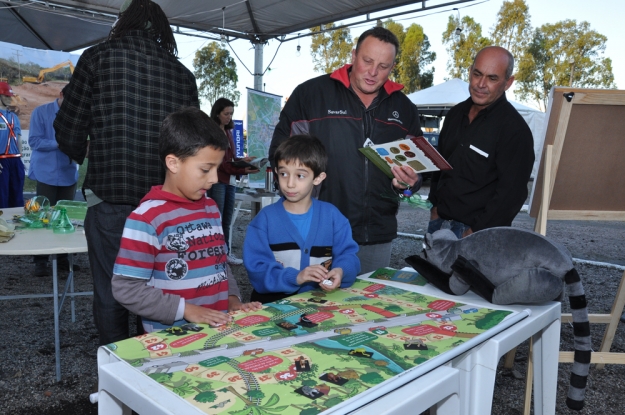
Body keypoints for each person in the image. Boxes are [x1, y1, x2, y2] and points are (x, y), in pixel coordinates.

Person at [54, 0, 200, 345]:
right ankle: (155, 369)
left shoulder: (96, 58)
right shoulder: (182, 75)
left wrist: (87, 150)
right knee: (162, 287)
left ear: (124, 23)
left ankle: (117, 377)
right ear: (162, 30)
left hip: (111, 197)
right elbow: (195, 148)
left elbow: (68, 131)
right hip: (167, 206)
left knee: (111, 289)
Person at [269, 27, 423, 274]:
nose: (373, 72)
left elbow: (417, 169)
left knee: (366, 309)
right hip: (316, 231)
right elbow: (280, 153)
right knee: (311, 307)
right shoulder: (311, 94)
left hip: (375, 235)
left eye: (383, 66)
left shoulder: (404, 108)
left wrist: (410, 183)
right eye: (367, 61)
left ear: (393, 67)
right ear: (353, 56)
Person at [112, 107, 261, 332]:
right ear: (173, 163)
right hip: (170, 340)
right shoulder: (146, 219)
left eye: (217, 169)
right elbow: (127, 289)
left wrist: (232, 300)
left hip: (217, 331)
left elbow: (220, 264)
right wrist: (186, 310)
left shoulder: (211, 207)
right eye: (205, 169)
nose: (213, 179)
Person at [427, 46, 534, 239]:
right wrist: (434, 207)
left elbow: (511, 195)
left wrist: (474, 232)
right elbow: (439, 166)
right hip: (439, 223)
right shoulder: (454, 115)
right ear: (470, 72)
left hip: (477, 233)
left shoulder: (514, 130)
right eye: (477, 74)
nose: (481, 84)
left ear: (508, 82)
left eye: (492, 78)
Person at [244, 135, 360, 304]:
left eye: (300, 176)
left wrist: (341, 271)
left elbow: (349, 255)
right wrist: (296, 277)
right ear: (276, 172)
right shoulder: (264, 221)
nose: (290, 183)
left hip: (319, 304)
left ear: (318, 178)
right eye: (284, 173)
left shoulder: (333, 217)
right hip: (273, 306)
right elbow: (257, 270)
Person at [28, 84, 80, 277]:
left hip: (68, 174)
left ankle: (63, 259)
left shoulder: (76, 116)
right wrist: (59, 143)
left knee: (64, 217)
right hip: (46, 173)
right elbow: (34, 141)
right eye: (70, 100)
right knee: (42, 217)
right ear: (60, 94)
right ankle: (40, 261)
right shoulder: (41, 112)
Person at [207, 98, 259, 266]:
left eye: (231, 114)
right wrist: (243, 169)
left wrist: (244, 160)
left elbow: (230, 159)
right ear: (217, 114)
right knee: (217, 218)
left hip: (229, 180)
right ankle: (215, 254)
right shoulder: (213, 133)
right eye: (226, 114)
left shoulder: (228, 132)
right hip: (218, 180)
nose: (229, 117)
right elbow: (220, 162)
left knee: (227, 219)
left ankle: (226, 252)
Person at [0, 81, 23, 209]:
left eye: (10, 96)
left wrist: (19, 159)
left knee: (17, 197)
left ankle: (17, 227)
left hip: (15, 160)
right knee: (2, 198)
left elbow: (18, 138)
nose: (10, 99)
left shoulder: (14, 117)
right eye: (6, 96)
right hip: (1, 161)